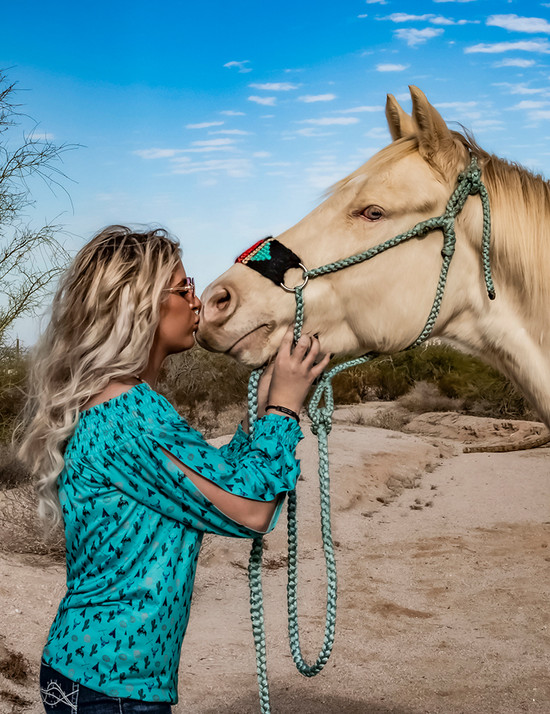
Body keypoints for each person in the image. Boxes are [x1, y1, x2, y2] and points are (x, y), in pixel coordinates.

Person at [18, 225, 329, 714]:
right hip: (114, 688)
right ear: (138, 305)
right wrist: (285, 411)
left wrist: (266, 406)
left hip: (88, 674)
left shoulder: (115, 404)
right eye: (184, 288)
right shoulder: (131, 415)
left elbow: (210, 482)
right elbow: (249, 509)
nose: (196, 301)